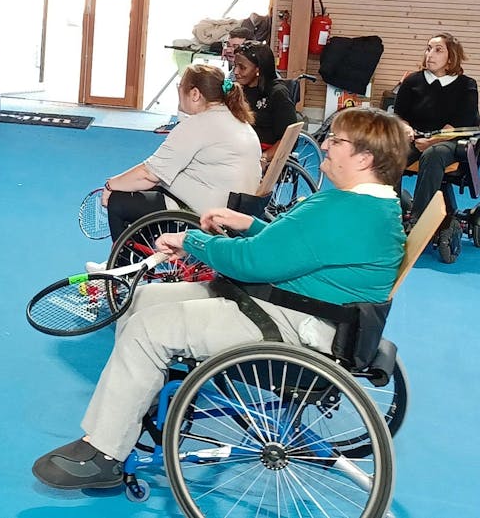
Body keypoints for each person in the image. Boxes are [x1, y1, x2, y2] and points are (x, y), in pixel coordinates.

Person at [33, 107, 408, 490]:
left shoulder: (342, 210)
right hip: (303, 310)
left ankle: (105, 451)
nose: (326, 145)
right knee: (145, 299)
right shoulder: (372, 207)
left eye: (337, 141)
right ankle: (131, 405)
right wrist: (250, 224)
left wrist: (191, 239)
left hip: (290, 323)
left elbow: (251, 263)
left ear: (364, 158)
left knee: (148, 328)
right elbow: (300, 249)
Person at [101, 64, 261, 243]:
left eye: (180, 87)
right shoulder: (239, 121)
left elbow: (148, 174)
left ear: (194, 94)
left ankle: (121, 267)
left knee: (119, 201)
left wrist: (111, 185)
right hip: (240, 209)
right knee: (150, 191)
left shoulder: (198, 125)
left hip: (208, 214)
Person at [392, 32, 479, 227]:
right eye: (428, 48)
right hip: (415, 138)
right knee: (392, 154)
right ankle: (391, 214)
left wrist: (431, 141)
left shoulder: (467, 85)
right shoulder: (413, 80)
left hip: (449, 141)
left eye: (438, 50)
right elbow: (399, 115)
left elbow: (461, 122)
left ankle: (418, 221)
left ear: (451, 58)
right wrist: (405, 129)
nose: (429, 54)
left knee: (433, 154)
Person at [232, 40, 301, 165]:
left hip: (261, 151)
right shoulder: (239, 89)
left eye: (242, 67)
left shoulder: (278, 93)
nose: (236, 72)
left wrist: (264, 157)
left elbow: (289, 139)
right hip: (240, 147)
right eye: (234, 66)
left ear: (258, 69)